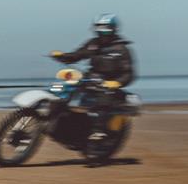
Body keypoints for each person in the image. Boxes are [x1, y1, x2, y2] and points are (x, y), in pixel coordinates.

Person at [51, 13, 135, 141]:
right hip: (90, 78)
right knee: (65, 83)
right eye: (99, 29)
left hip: (108, 84)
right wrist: (63, 56)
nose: (102, 33)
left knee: (104, 95)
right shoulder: (93, 44)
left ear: (113, 29)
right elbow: (77, 55)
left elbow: (129, 73)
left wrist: (117, 83)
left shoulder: (122, 49)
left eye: (105, 30)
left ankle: (98, 131)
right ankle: (54, 110)